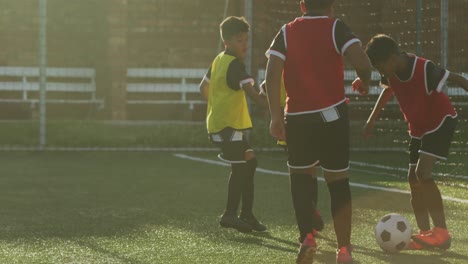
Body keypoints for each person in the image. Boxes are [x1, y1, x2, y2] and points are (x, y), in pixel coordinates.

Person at [264, 0, 372, 263]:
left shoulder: (287, 31)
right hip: (333, 116)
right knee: (338, 181)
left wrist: (276, 116)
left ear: (302, 6)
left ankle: (307, 238)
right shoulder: (336, 28)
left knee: (301, 178)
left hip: (298, 117)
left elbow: (272, 73)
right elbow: (363, 63)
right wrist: (365, 81)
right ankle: (344, 250)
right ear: (331, 6)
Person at [361, 34, 468, 250]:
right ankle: (424, 234)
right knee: (413, 179)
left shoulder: (423, 69)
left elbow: (457, 79)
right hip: (418, 127)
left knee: (422, 173)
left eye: (381, 66)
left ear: (392, 58)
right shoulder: (390, 72)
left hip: (440, 120)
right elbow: (388, 89)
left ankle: (441, 233)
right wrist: (372, 119)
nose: (381, 72)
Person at [199, 16, 268, 233]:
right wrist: (269, 99)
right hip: (228, 128)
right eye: (240, 40)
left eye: (246, 39)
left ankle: (246, 214)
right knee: (241, 166)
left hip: (224, 126)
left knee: (250, 162)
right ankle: (229, 215)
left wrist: (218, 104)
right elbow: (255, 97)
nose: (245, 44)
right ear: (227, 42)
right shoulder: (235, 65)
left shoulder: (219, 59)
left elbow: (203, 87)